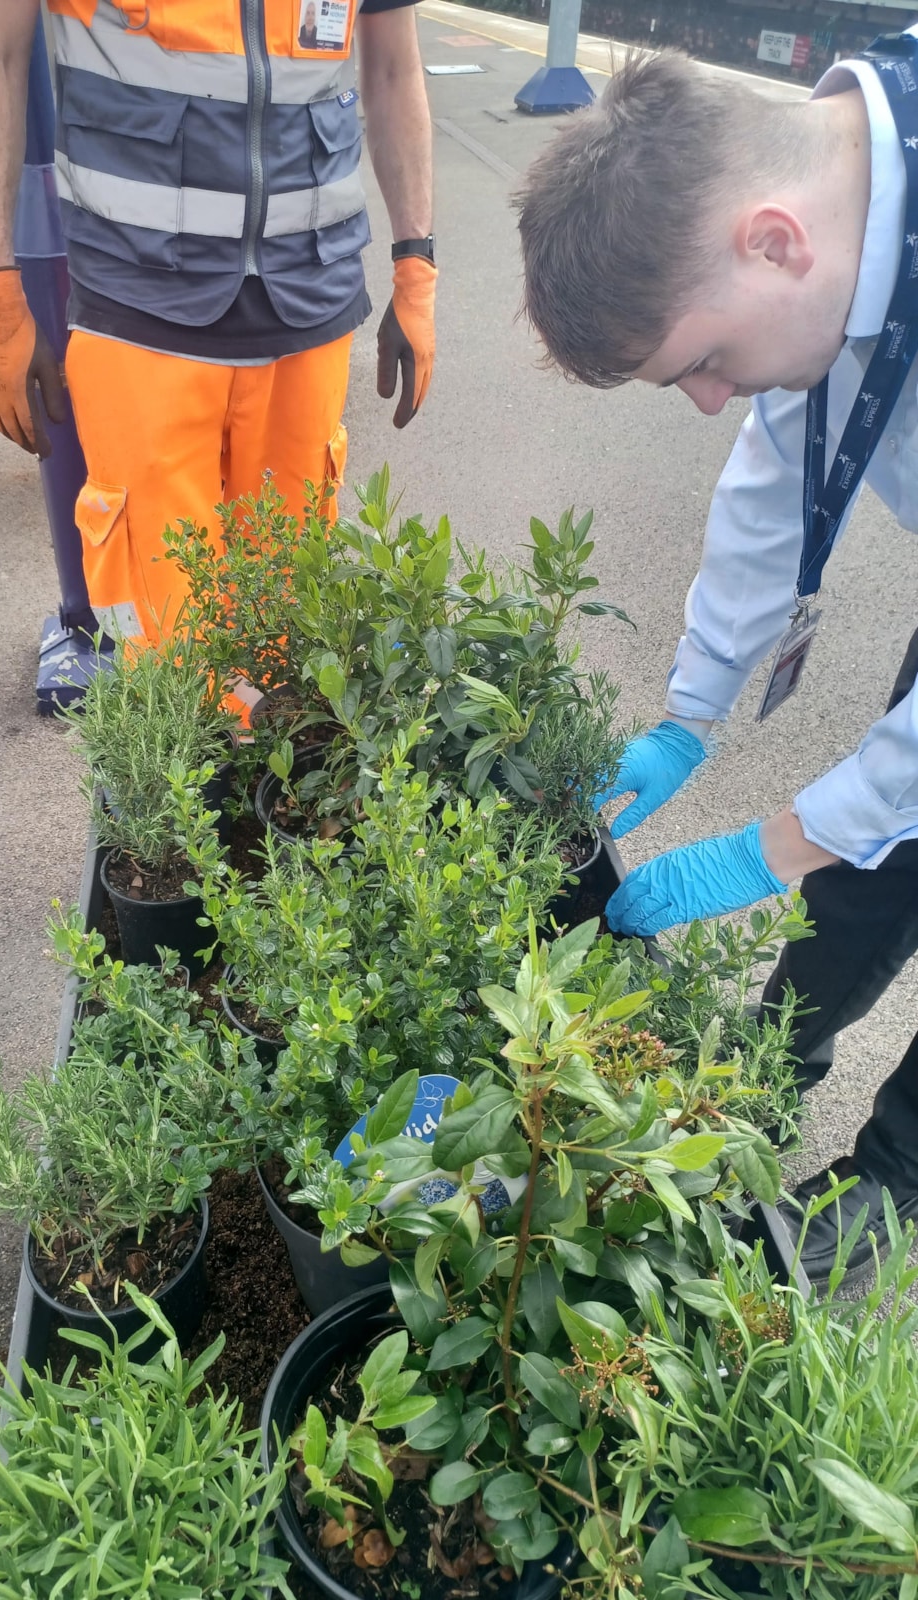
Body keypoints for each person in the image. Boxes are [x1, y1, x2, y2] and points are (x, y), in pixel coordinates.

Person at [517, 39, 918, 1289]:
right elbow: (774, 457)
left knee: (866, 820)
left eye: (697, 360)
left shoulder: (822, 233)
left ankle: (895, 1180)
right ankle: (777, 1059)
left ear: (773, 243)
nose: (703, 399)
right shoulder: (842, 185)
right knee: (880, 854)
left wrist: (778, 843)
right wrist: (690, 715)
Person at [0, 0, 435, 649]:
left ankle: (256, 741)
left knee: (284, 644)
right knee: (164, 652)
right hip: (140, 313)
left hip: (308, 310)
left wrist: (416, 273)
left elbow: (395, 68)